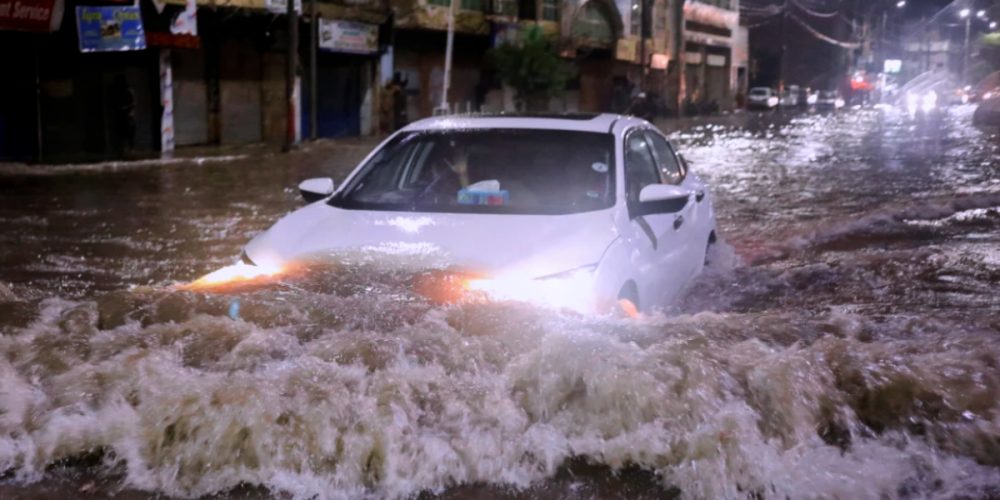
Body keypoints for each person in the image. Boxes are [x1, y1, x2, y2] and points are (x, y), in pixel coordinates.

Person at [109, 75, 136, 154]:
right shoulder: (117, 92)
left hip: (128, 116)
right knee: (122, 133)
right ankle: (124, 148)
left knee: (129, 133)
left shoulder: (129, 91)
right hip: (121, 116)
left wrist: (125, 108)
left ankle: (130, 148)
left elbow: (133, 103)